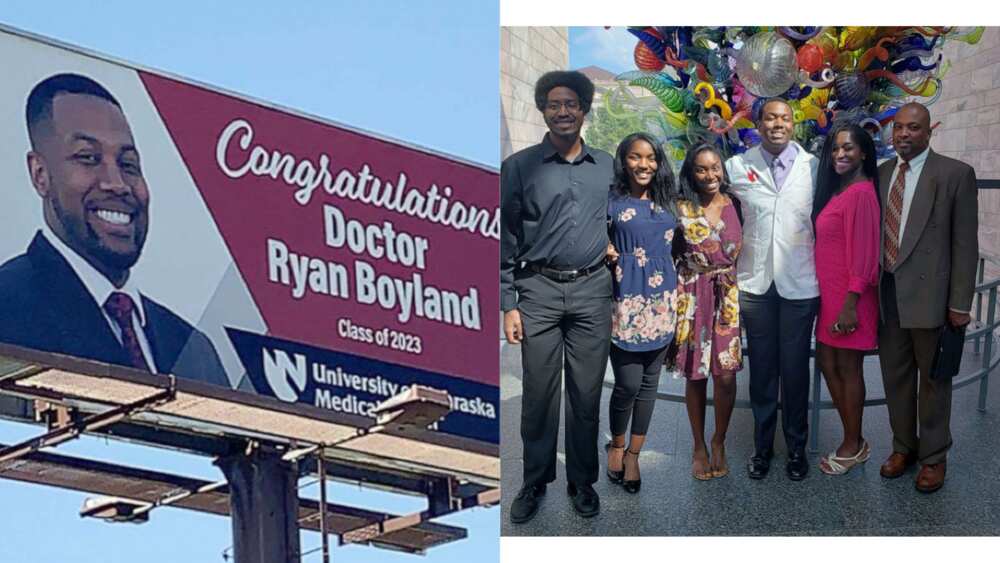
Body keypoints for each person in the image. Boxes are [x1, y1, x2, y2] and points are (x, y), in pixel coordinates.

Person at [0, 73, 228, 388]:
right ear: (40, 174)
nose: (117, 184)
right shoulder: (8, 305)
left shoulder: (192, 349)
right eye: (88, 158)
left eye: (129, 164)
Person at [501, 70, 614, 522]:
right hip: (538, 292)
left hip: (592, 290)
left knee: (587, 395)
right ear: (543, 110)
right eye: (554, 104)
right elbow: (506, 235)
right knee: (539, 394)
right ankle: (534, 482)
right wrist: (508, 302)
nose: (563, 111)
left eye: (571, 104)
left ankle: (582, 481)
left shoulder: (608, 166)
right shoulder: (520, 167)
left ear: (584, 110)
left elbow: (627, 216)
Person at [877, 102, 978, 493]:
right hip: (889, 295)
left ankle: (934, 458)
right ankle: (904, 447)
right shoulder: (883, 173)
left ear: (929, 131)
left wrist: (960, 304)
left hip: (933, 299)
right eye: (898, 128)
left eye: (913, 128)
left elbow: (965, 244)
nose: (903, 134)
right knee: (896, 378)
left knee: (935, 382)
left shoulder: (955, 175)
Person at [725, 98, 820, 481]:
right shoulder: (737, 166)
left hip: (800, 284)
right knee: (762, 370)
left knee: (795, 370)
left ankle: (796, 448)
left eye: (784, 117)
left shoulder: (814, 167)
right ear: (759, 123)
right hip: (755, 285)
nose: (777, 123)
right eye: (770, 117)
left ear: (793, 124)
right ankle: (762, 448)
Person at [603, 132, 680, 494]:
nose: (644, 164)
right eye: (635, 157)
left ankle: (634, 453)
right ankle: (616, 445)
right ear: (624, 160)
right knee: (627, 384)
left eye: (650, 157)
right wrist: (605, 245)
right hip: (626, 299)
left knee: (650, 384)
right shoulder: (611, 199)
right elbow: (591, 233)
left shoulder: (670, 199)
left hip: (663, 299)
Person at [811, 124, 881, 475]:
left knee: (848, 369)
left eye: (849, 148)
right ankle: (854, 436)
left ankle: (853, 444)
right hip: (830, 296)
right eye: (836, 148)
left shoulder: (862, 193)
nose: (840, 154)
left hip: (850, 297)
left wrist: (851, 302)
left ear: (864, 152)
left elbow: (866, 253)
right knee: (827, 362)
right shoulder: (839, 191)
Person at [670, 144, 743, 480]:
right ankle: (698, 445)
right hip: (692, 295)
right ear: (691, 172)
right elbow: (668, 251)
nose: (710, 175)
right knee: (696, 375)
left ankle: (719, 440)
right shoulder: (679, 207)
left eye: (715, 167)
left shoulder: (736, 204)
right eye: (701, 169)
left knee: (726, 375)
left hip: (726, 295)